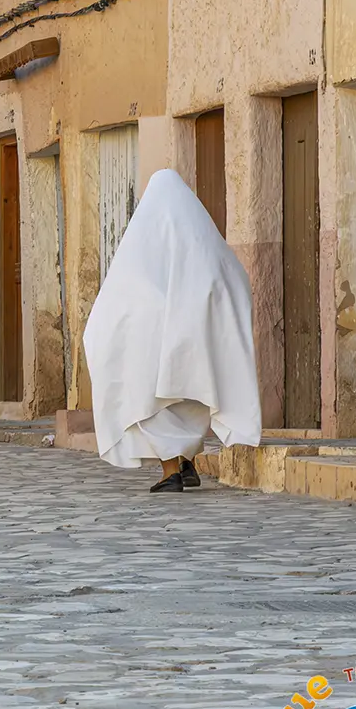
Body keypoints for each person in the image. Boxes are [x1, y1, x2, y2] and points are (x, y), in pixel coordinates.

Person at [82, 169, 261, 492]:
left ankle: (170, 472)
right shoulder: (210, 248)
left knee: (151, 398)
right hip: (200, 346)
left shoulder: (142, 249)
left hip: (154, 343)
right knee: (193, 396)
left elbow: (119, 301)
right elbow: (234, 285)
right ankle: (187, 461)